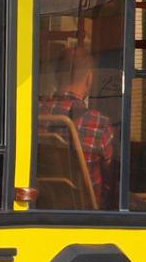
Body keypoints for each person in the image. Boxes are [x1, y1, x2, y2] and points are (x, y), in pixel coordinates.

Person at [36, 42, 118, 206]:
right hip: (86, 214)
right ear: (89, 78)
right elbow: (112, 184)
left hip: (40, 208)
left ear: (56, 76)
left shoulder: (33, 114)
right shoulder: (99, 124)